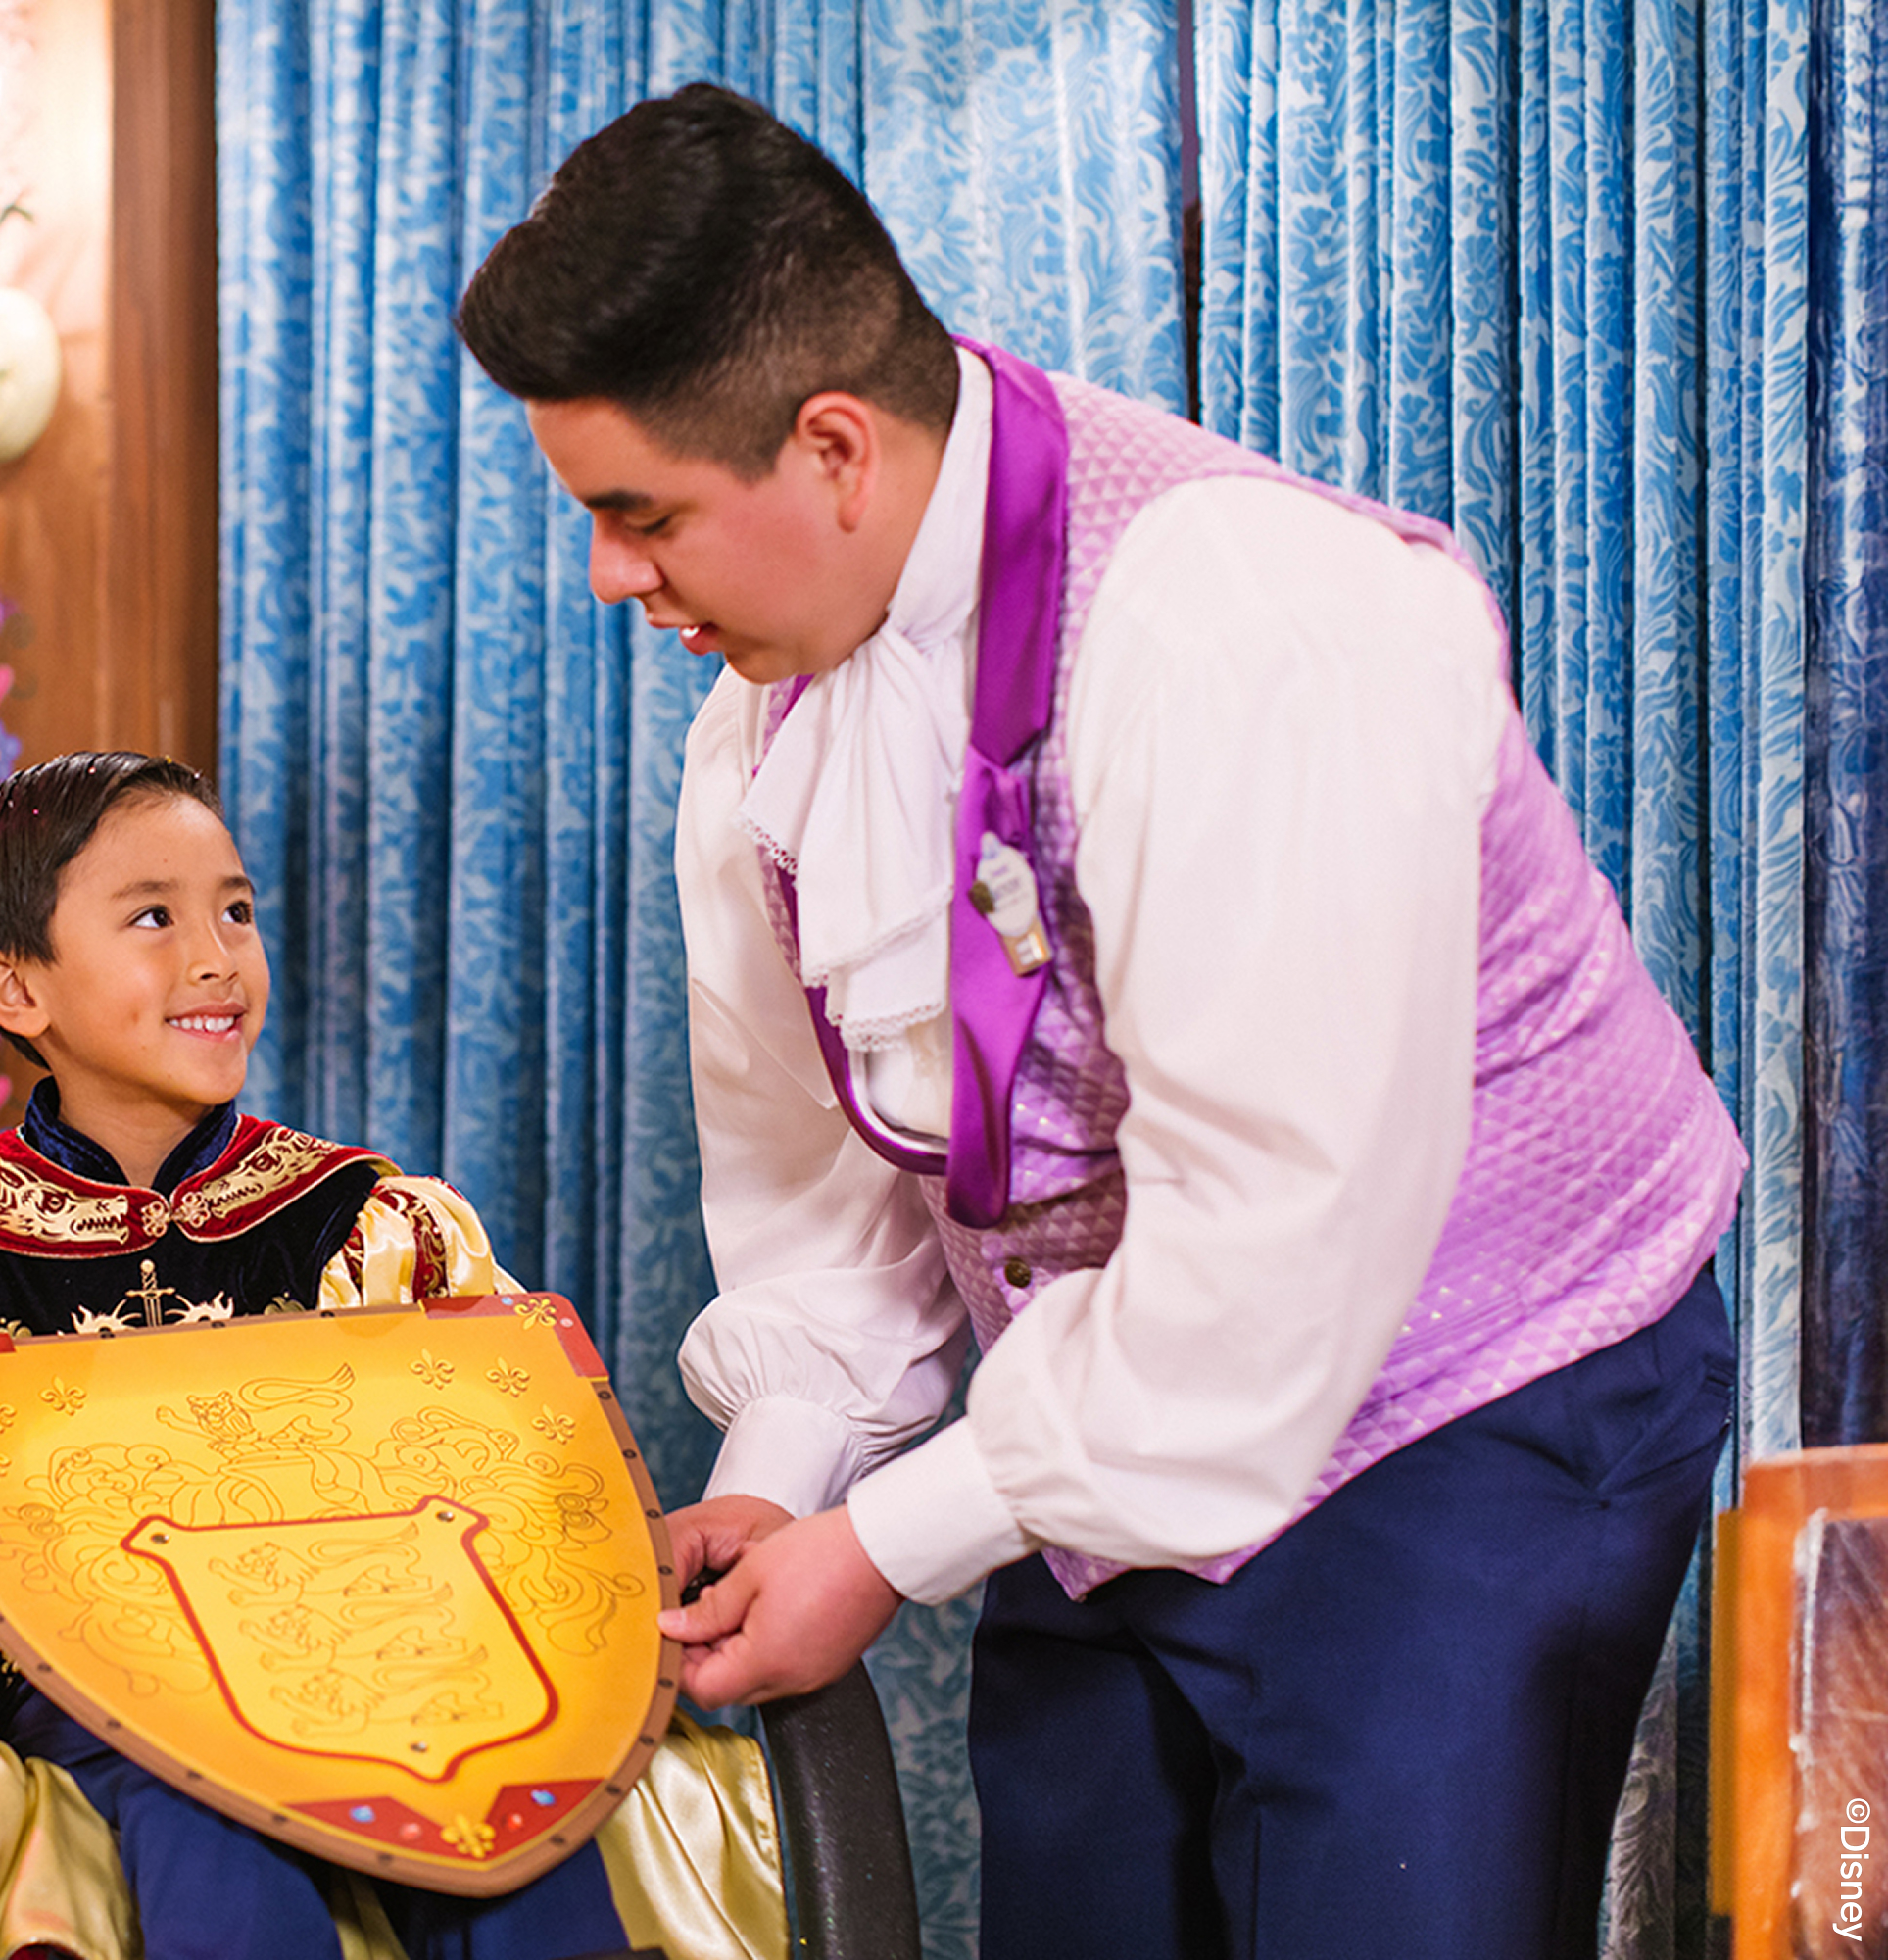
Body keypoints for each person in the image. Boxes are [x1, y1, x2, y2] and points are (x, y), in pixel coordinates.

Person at [455, 83, 1743, 1960]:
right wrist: (784, 1489)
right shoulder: (761, 728)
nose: (609, 578)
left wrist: (884, 1550)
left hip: (1470, 1396)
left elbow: (1272, 1262)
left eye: (640, 517)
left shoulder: (1244, 629)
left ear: (831, 448)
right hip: (1116, 1418)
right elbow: (844, 1193)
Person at [0, 753, 768, 1960]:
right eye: (153, 916)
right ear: (14, 986)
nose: (215, 956)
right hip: (106, 1690)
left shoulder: (363, 1224)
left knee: (527, 1856)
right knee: (220, 1872)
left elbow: (498, 1458)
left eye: (235, 910)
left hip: (403, 1665)